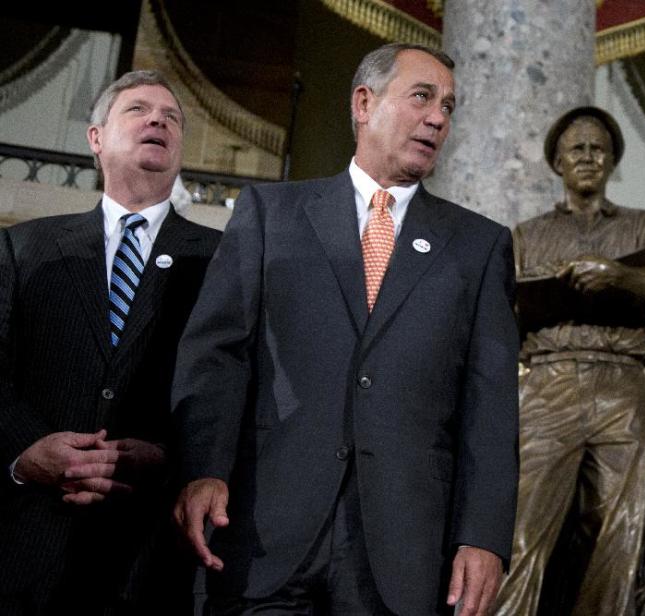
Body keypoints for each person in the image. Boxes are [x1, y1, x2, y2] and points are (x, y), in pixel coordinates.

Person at [171, 42, 519, 616]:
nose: (438, 118)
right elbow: (217, 355)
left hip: (402, 551)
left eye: (449, 107)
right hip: (264, 533)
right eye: (422, 97)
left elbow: (491, 404)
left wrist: (483, 535)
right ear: (364, 102)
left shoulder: (478, 246)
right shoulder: (270, 213)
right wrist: (204, 468)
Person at [0, 70, 221, 614]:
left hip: (151, 558)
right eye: (139, 109)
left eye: (171, 117)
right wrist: (27, 454)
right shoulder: (24, 248)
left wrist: (173, 457)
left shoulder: (223, 259)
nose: (158, 120)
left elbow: (232, 386)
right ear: (95, 138)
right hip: (27, 549)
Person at [495, 107, 645, 616]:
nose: (587, 156)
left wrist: (617, 277)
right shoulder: (526, 235)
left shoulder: (644, 228)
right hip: (545, 382)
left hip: (620, 384)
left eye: (598, 148)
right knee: (523, 531)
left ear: (611, 161)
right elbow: (501, 322)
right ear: (558, 161)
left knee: (614, 537)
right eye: (576, 148)